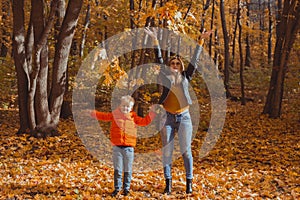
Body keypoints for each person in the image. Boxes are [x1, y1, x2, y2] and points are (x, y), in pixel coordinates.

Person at [145, 27, 212, 194]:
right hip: (167, 117)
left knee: (186, 151)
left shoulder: (186, 77)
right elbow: (159, 59)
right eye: (172, 63)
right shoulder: (165, 76)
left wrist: (201, 40)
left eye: (177, 63)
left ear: (181, 66)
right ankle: (168, 184)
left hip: (184, 117)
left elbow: (195, 61)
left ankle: (189, 183)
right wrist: (155, 40)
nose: (174, 65)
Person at [88, 95, 156, 197]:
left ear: (131, 108)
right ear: (120, 105)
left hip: (129, 148)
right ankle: (117, 189)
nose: (125, 108)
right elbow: (104, 116)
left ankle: (126, 189)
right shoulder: (115, 114)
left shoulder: (133, 117)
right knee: (118, 169)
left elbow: (144, 122)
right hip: (117, 147)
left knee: (128, 169)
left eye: (128, 107)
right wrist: (93, 113)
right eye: (124, 106)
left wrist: (152, 113)